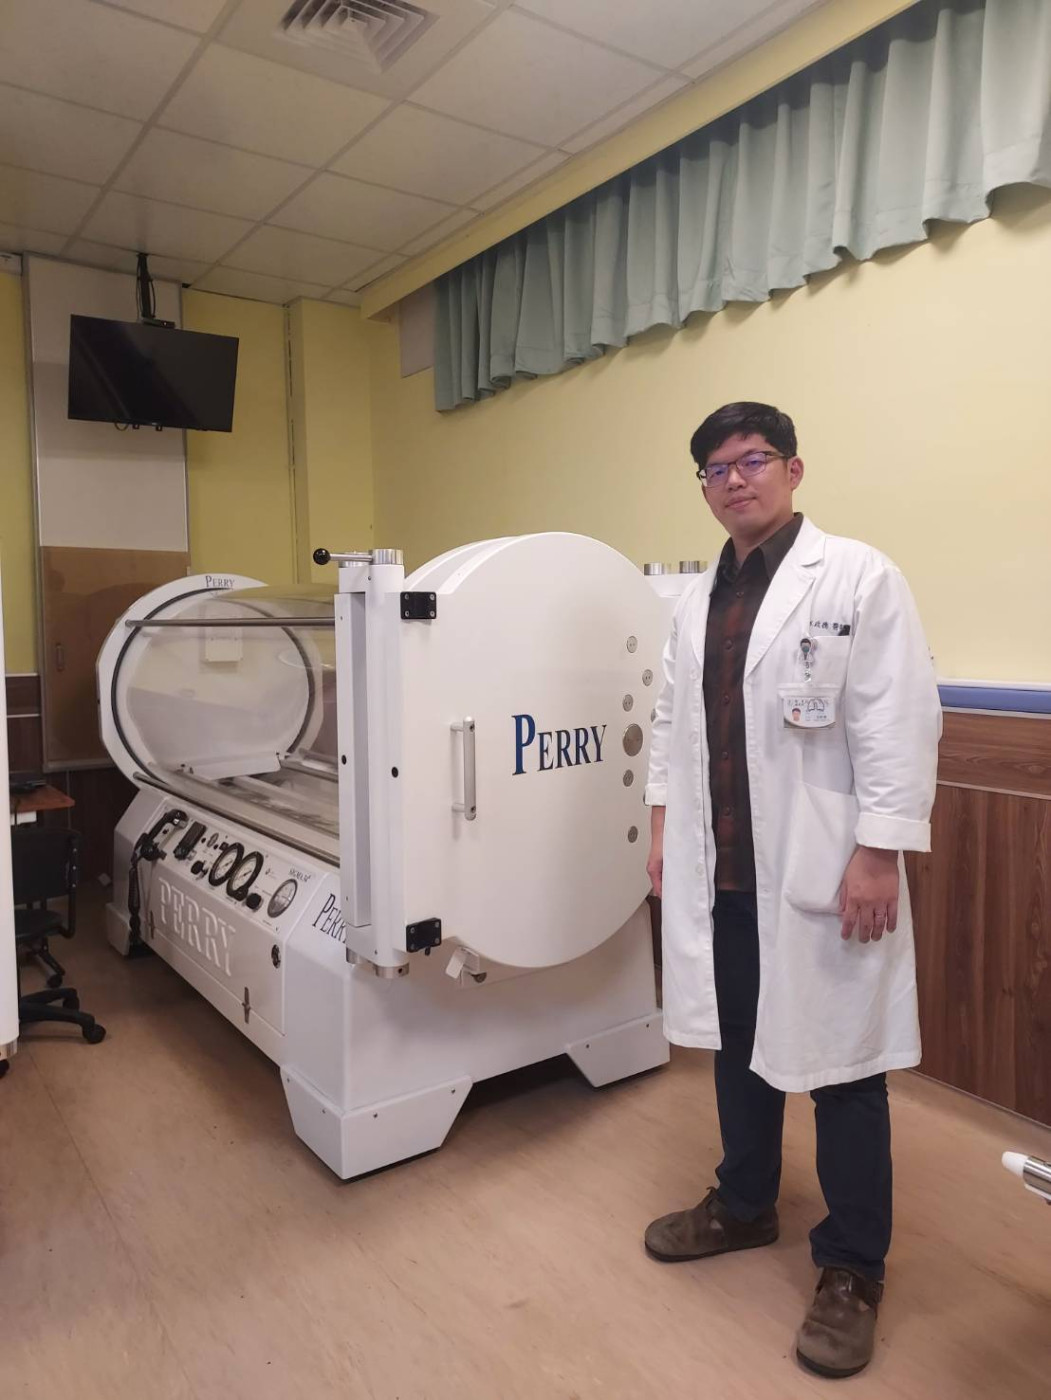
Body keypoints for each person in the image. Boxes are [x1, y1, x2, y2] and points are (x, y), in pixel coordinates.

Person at [643, 402, 941, 1379]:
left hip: (821, 868)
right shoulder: (693, 602)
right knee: (737, 1046)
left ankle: (852, 1265)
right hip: (724, 871)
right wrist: (661, 830)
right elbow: (669, 724)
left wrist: (878, 852)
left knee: (845, 1068)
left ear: (792, 469)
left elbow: (898, 719)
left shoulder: (855, 576)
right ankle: (743, 1202)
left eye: (752, 459)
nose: (733, 479)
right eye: (715, 468)